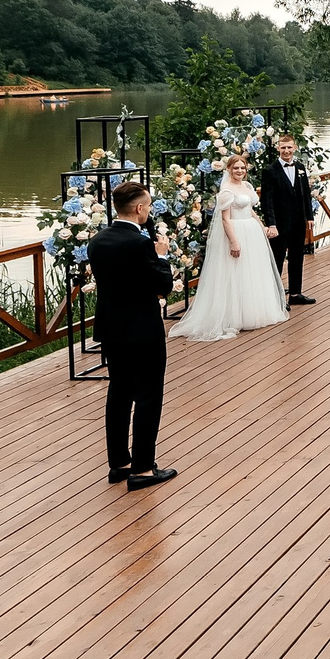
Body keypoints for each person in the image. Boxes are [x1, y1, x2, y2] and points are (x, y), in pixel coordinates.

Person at [89, 180, 176, 490]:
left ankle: (119, 463)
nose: (149, 211)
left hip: (112, 327)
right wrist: (162, 256)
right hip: (142, 328)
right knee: (149, 395)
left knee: (119, 392)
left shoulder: (97, 241)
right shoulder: (140, 243)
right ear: (139, 208)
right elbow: (162, 284)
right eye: (148, 206)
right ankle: (142, 469)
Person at [172, 152, 290, 341]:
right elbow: (225, 219)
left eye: (242, 168)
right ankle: (234, 315)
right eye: (236, 168)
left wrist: (263, 228)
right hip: (236, 230)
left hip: (252, 231)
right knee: (236, 272)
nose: (239, 171)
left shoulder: (247, 186)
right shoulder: (226, 190)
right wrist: (234, 241)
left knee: (252, 272)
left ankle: (254, 311)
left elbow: (250, 210)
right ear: (229, 169)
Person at [259, 133, 316, 305]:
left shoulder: (300, 167)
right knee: (277, 260)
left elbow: (305, 193)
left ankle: (295, 294)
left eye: (289, 147)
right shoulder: (270, 170)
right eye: (283, 147)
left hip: (298, 222)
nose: (286, 151)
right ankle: (276, 297)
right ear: (278, 148)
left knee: (297, 258)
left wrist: (309, 216)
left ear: (295, 148)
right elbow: (266, 200)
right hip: (280, 223)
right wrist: (271, 223)